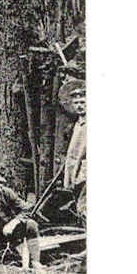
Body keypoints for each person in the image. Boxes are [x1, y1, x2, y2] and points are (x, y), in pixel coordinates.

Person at [61, 83, 86, 217]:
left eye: (82, 102)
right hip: (78, 174)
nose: (79, 106)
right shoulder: (79, 123)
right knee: (80, 208)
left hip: (85, 173)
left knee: (84, 209)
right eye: (76, 103)